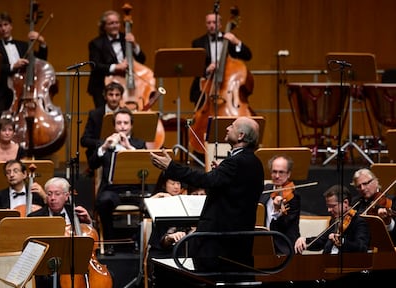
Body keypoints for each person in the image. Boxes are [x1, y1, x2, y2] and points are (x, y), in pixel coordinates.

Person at [150, 116, 264, 269]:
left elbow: (204, 180)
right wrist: (220, 174)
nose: (227, 128)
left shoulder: (235, 162)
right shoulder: (255, 162)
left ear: (241, 136)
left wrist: (171, 167)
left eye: (232, 126)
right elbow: (235, 191)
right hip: (239, 242)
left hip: (220, 243)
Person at [27, 177, 93, 288]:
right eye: (49, 194)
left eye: (57, 194)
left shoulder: (77, 214)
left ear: (67, 196)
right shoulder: (34, 217)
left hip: (74, 261)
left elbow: (91, 237)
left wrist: (89, 222)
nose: (52, 198)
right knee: (47, 280)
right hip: (49, 263)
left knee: (106, 279)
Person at [89, 107, 146, 255]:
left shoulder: (139, 144)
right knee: (103, 201)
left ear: (131, 125)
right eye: (119, 123)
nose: (122, 126)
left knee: (150, 202)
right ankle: (109, 243)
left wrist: (129, 148)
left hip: (134, 190)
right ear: (114, 125)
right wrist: (104, 147)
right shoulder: (104, 144)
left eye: (126, 123)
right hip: (112, 190)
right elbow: (92, 164)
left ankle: (137, 241)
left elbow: (145, 165)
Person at [0, 11, 48, 119]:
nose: (3, 29)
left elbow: (40, 60)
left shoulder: (23, 45)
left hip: (22, 93)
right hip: (2, 93)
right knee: (4, 127)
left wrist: (42, 43)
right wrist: (12, 66)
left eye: (6, 25)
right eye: (0, 26)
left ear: (11, 26)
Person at [189, 11, 252, 107]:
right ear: (206, 24)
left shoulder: (229, 40)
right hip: (206, 86)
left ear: (220, 24)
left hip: (227, 86)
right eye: (209, 23)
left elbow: (248, 56)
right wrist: (207, 69)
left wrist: (237, 42)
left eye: (214, 22)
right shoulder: (197, 43)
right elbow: (194, 66)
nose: (211, 25)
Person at [87, 9, 146, 108]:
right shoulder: (96, 43)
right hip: (102, 87)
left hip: (124, 85)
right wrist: (116, 67)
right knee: (104, 117)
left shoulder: (126, 38)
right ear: (104, 26)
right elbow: (95, 65)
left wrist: (134, 44)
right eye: (111, 23)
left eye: (117, 23)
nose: (115, 25)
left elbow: (142, 59)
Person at [294, 185, 370, 254]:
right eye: (328, 206)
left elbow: (362, 248)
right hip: (327, 262)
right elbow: (321, 241)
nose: (329, 210)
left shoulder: (359, 221)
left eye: (332, 206)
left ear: (345, 203)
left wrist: (342, 241)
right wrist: (304, 240)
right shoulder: (336, 220)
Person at [259, 155, 300, 255]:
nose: (277, 176)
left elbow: (284, 225)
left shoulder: (293, 197)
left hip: (283, 245)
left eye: (281, 172)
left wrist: (277, 211)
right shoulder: (266, 189)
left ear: (289, 174)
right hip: (263, 244)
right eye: (274, 171)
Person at [81, 81, 125, 171]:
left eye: (117, 95)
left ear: (121, 97)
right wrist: (103, 144)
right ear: (105, 96)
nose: (114, 98)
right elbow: (84, 141)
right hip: (100, 157)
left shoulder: (126, 114)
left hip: (121, 155)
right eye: (111, 94)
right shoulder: (95, 114)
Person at [351, 168, 396, 243]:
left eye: (365, 184)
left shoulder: (391, 200)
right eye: (359, 186)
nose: (362, 188)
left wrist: (388, 221)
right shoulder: (355, 202)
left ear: (375, 181)